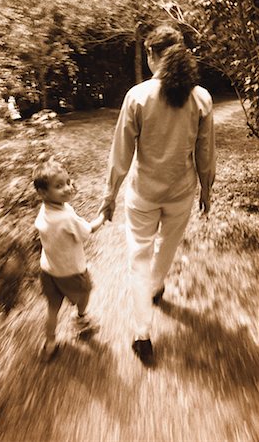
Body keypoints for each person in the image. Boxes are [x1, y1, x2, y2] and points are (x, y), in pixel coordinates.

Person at [99, 25, 216, 366]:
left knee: (139, 257)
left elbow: (121, 153)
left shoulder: (137, 96)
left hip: (143, 194)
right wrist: (206, 188)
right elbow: (205, 153)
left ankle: (142, 333)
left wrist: (110, 195)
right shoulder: (201, 98)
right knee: (165, 249)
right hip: (181, 192)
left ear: (152, 55)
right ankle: (157, 285)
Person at [33, 156, 106, 361]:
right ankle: (81, 319)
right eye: (59, 186)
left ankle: (50, 343)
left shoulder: (45, 210)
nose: (66, 188)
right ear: (43, 193)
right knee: (86, 290)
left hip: (48, 270)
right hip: (71, 271)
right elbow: (87, 231)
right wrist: (102, 217)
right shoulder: (66, 217)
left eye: (67, 182)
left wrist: (65, 190)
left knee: (52, 309)